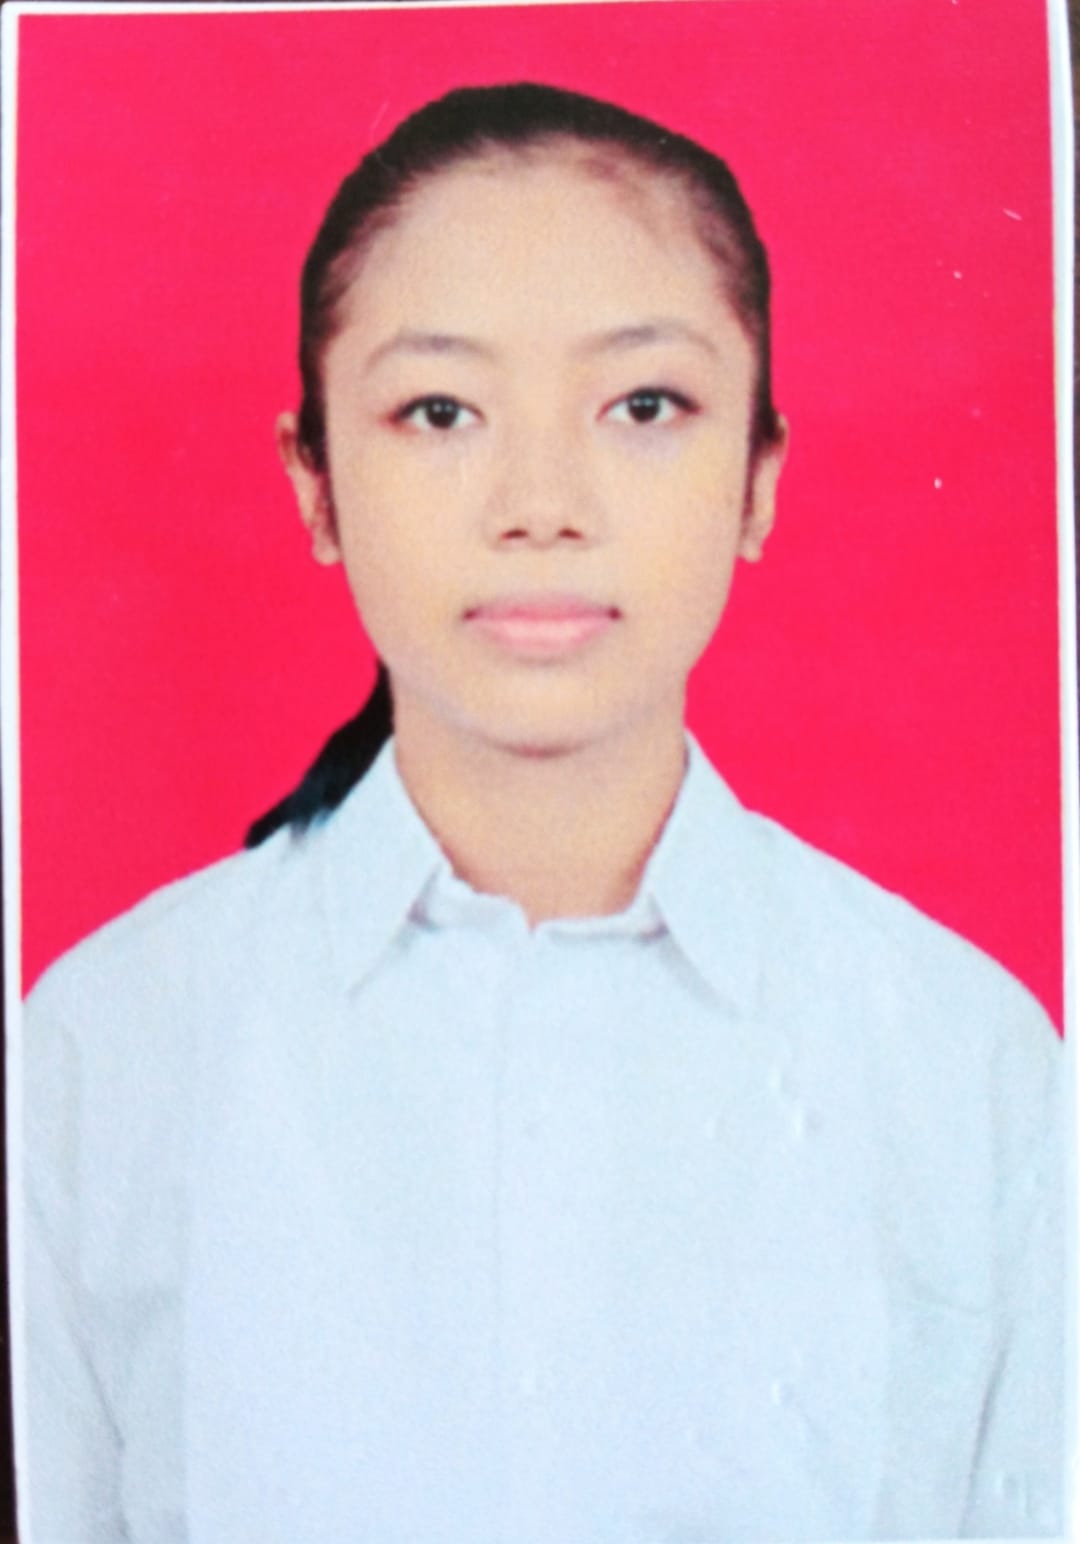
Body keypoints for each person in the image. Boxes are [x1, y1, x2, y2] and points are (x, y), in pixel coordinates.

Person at [21, 82, 1064, 1544]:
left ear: (758, 478)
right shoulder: (98, 1053)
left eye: (644, 406)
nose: (541, 503)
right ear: (314, 481)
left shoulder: (974, 1067)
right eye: (440, 411)